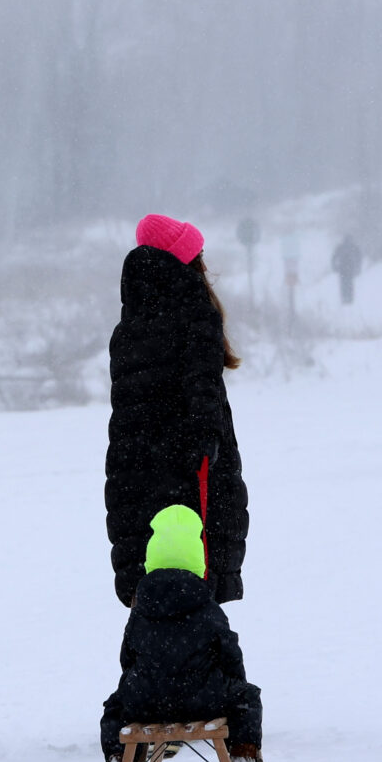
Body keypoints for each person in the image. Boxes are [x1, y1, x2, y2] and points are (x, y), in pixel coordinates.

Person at [105, 214, 249, 607]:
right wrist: (205, 447)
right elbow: (203, 406)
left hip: (133, 477)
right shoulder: (195, 314)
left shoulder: (128, 327)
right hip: (191, 479)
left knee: (153, 600)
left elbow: (129, 416)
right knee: (196, 607)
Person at [100, 504, 262, 762]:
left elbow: (128, 659)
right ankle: (243, 758)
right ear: (197, 560)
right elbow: (229, 654)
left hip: (148, 701)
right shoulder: (207, 608)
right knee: (246, 697)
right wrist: (231, 684)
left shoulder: (140, 610)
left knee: (115, 707)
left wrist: (143, 685)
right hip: (204, 697)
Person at [331, 234, 363, 306]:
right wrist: (358, 267)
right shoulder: (353, 247)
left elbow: (334, 257)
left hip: (342, 268)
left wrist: (334, 266)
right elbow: (359, 257)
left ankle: (344, 298)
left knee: (343, 284)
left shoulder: (341, 247)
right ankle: (349, 299)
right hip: (350, 268)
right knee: (349, 284)